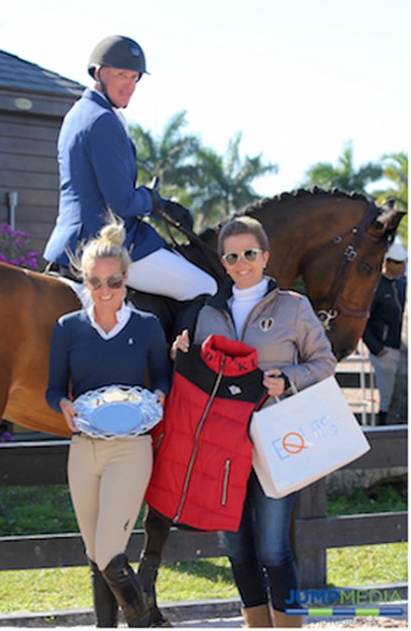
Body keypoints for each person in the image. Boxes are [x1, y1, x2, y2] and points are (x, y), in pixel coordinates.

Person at [169, 216, 337, 628]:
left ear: (265, 256)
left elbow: (325, 363)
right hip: (222, 447)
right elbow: (197, 373)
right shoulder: (206, 312)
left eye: (249, 253)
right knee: (238, 550)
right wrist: (181, 352)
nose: (241, 262)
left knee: (273, 549)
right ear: (223, 262)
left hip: (277, 442)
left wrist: (289, 380)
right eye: (232, 255)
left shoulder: (294, 307)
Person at [46, 212, 171, 627]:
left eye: (113, 281)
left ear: (126, 279)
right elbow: (53, 389)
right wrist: (61, 405)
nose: (104, 290)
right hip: (83, 449)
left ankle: (145, 623)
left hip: (131, 450)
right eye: (95, 281)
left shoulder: (148, 327)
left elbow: (163, 379)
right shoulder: (68, 329)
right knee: (94, 554)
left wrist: (160, 395)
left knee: (109, 554)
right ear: (85, 281)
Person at [44, 34, 217, 301]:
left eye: (135, 77)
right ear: (99, 73)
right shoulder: (102, 120)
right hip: (106, 242)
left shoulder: (80, 113)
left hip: (74, 238)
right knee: (205, 287)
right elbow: (122, 203)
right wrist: (154, 201)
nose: (129, 85)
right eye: (122, 74)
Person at [363, 242, 407, 425]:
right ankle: (383, 432)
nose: (403, 265)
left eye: (404, 261)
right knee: (388, 398)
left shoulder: (403, 284)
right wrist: (377, 348)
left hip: (402, 349)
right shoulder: (375, 287)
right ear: (387, 262)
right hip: (386, 351)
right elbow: (363, 320)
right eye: (398, 262)